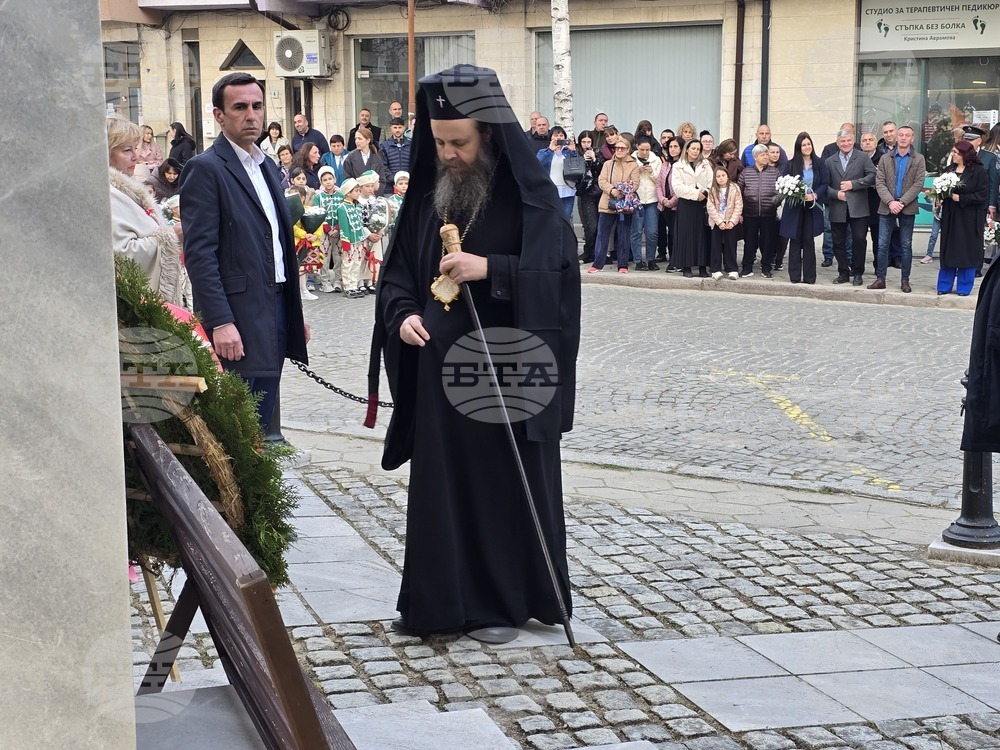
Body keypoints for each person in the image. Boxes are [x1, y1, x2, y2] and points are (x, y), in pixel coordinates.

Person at [366, 65, 580, 641]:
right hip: (440, 377)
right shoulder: (426, 197)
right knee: (448, 491)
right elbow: (397, 277)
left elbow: (558, 274)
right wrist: (403, 316)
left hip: (508, 371)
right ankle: (445, 604)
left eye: (458, 142)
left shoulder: (529, 202)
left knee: (503, 487)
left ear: (487, 134)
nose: (448, 154)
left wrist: (490, 269)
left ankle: (504, 602)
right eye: (438, 142)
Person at [180, 72, 309, 428]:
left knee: (265, 420)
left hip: (276, 308)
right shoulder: (205, 169)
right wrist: (220, 322)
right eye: (239, 107)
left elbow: (278, 243)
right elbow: (200, 255)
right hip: (237, 318)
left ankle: (261, 479)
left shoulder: (267, 166)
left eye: (257, 105)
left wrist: (294, 312)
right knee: (239, 426)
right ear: (219, 115)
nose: (251, 115)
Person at [107, 115, 182, 304]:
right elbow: (121, 255)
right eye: (127, 150)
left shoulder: (126, 189)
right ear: (106, 153)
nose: (136, 156)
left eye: (135, 148)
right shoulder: (109, 194)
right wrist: (171, 236)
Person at [869, 125, 926, 293]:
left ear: (912, 138)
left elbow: (918, 184)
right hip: (887, 207)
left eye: (907, 135)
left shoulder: (919, 159)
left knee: (906, 245)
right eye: (900, 135)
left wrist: (901, 202)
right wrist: (890, 202)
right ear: (896, 137)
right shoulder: (885, 158)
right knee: (882, 244)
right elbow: (879, 182)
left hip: (907, 207)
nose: (903, 138)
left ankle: (905, 280)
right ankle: (880, 279)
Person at [826, 128, 876, 286]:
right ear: (837, 143)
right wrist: (836, 194)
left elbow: (872, 176)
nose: (846, 143)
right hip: (838, 206)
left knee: (859, 240)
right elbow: (823, 185)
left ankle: (858, 272)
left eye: (848, 140)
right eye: (842, 141)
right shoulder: (829, 161)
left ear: (853, 141)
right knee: (838, 241)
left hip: (859, 206)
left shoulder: (862, 157)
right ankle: (843, 272)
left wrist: (853, 184)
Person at [937, 140, 988, 296]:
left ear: (965, 155)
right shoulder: (949, 170)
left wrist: (962, 198)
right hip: (951, 216)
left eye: (956, 153)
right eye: (953, 152)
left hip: (969, 218)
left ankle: (964, 287)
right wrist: (939, 197)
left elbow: (982, 195)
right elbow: (942, 189)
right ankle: (944, 285)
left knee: (966, 251)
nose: (953, 155)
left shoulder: (978, 172)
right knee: (948, 249)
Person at [779, 132, 827, 285]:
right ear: (799, 147)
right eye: (804, 145)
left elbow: (825, 184)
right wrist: (796, 193)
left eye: (809, 144)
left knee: (808, 240)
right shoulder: (791, 164)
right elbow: (783, 182)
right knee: (795, 240)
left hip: (811, 208)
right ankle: (794, 276)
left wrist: (814, 195)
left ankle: (809, 277)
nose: (807, 147)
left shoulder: (820, 164)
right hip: (795, 208)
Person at [589, 135, 640, 273]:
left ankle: (622, 265)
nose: (619, 150)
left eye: (622, 148)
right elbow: (602, 180)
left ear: (628, 149)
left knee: (623, 234)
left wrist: (623, 190)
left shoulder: (634, 165)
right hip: (607, 202)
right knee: (602, 234)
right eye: (617, 147)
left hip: (624, 204)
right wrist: (612, 190)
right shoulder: (607, 164)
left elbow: (635, 183)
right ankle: (597, 263)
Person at [671, 138, 713, 278]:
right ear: (687, 149)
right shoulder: (678, 166)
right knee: (686, 236)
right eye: (693, 148)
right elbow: (677, 187)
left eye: (698, 149)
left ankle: (702, 267)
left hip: (703, 203)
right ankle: (686, 266)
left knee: (702, 235)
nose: (695, 151)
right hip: (686, 204)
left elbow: (711, 182)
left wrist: (704, 193)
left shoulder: (705, 164)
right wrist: (696, 194)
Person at [737, 144, 780, 278]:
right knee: (750, 241)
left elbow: (780, 192)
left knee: (768, 241)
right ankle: (747, 267)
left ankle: (766, 267)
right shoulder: (746, 172)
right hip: (750, 212)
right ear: (755, 157)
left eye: (767, 154)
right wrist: (740, 212)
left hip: (769, 213)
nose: (766, 157)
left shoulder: (775, 172)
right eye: (763, 155)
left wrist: (774, 203)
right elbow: (738, 192)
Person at [706, 165, 743, 280]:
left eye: (723, 175)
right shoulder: (712, 190)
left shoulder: (734, 188)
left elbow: (738, 205)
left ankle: (732, 269)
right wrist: (719, 222)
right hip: (717, 222)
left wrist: (732, 221)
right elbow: (710, 207)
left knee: (730, 245)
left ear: (727, 176)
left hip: (730, 221)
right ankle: (715, 269)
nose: (721, 178)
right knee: (716, 246)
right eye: (718, 176)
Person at [334, 177, 368, 299]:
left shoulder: (357, 206)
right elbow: (344, 227)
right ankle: (347, 286)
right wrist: (346, 243)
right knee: (347, 264)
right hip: (349, 241)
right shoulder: (342, 208)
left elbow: (360, 224)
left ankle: (354, 284)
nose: (359, 193)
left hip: (358, 240)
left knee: (357, 263)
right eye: (356, 191)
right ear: (348, 193)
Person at [630, 139, 661, 270]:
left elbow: (660, 180)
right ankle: (637, 260)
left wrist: (651, 172)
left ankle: (651, 259)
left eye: (647, 150)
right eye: (642, 149)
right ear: (637, 147)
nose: (645, 152)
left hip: (652, 200)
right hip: (637, 199)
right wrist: (638, 171)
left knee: (652, 232)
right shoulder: (630, 160)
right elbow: (626, 179)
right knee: (636, 231)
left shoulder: (656, 160)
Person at [536, 126, 577, 221]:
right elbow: (538, 165)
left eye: (561, 135)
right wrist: (550, 150)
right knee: (550, 219)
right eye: (555, 135)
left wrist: (573, 151)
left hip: (567, 190)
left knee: (565, 219)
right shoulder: (543, 152)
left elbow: (577, 167)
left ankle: (564, 236)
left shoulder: (568, 152)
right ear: (550, 138)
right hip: (550, 191)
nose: (558, 137)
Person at [313, 165, 342, 294]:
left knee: (338, 256)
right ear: (321, 182)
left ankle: (338, 280)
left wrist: (337, 228)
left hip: (338, 231)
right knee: (324, 257)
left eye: (330, 178)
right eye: (325, 180)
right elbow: (318, 213)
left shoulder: (341, 195)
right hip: (324, 232)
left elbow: (343, 212)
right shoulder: (318, 197)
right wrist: (326, 228)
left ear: (334, 179)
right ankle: (324, 281)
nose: (328, 182)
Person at [575, 131, 602, 264]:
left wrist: (595, 160)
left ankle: (596, 253)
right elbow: (572, 171)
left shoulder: (597, 152)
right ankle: (587, 253)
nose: (586, 145)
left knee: (599, 227)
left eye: (589, 142)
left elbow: (603, 170)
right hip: (585, 194)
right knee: (590, 226)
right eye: (584, 142)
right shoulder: (576, 153)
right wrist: (582, 161)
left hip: (599, 193)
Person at [656, 136, 683, 270]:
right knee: (670, 233)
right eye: (670, 147)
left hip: (678, 205)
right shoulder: (665, 164)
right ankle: (672, 260)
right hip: (665, 204)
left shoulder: (683, 165)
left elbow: (682, 187)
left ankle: (677, 261)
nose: (672, 149)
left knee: (677, 234)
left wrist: (672, 201)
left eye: (676, 146)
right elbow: (659, 184)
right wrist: (662, 199)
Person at [343, 126, 388, 193]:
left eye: (360, 139)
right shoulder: (350, 158)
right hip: (357, 197)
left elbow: (382, 180)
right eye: (356, 139)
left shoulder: (377, 158)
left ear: (368, 140)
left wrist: (374, 191)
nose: (356, 141)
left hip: (374, 196)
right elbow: (347, 179)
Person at [379, 117, 411, 195]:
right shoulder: (384, 146)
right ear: (391, 129)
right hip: (390, 187)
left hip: (408, 185)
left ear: (404, 128)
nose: (397, 130)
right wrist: (395, 179)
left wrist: (406, 179)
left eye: (400, 127)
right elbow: (383, 166)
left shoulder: (411, 145)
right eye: (395, 127)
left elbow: (414, 163)